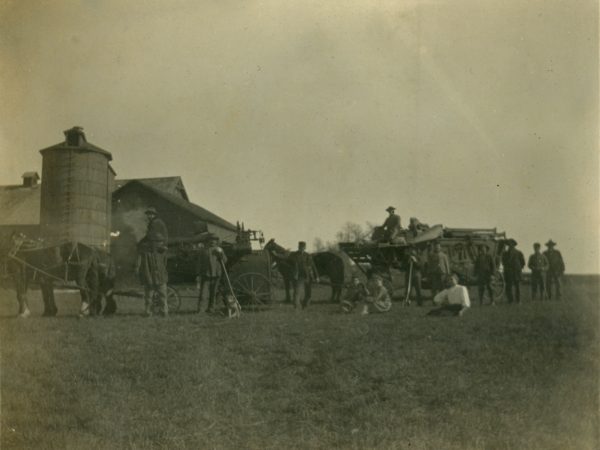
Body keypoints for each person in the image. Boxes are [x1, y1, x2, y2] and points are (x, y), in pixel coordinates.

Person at [136, 207, 169, 316]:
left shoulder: (156, 223)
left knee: (161, 294)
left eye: (150, 214)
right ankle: (148, 312)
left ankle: (163, 312)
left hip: (159, 276)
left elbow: (164, 264)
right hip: (152, 277)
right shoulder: (148, 254)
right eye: (148, 214)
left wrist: (141, 243)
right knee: (149, 294)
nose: (149, 216)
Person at [196, 234, 228, 313]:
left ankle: (211, 309)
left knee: (213, 293)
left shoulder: (219, 250)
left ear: (217, 241)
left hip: (216, 274)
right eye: (211, 240)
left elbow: (225, 260)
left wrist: (220, 253)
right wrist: (198, 274)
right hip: (206, 275)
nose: (212, 241)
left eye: (214, 240)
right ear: (208, 241)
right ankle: (201, 309)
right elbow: (199, 263)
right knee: (203, 294)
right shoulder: (203, 250)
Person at [290, 241, 319, 309]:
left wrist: (317, 276)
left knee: (308, 293)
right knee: (297, 292)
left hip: (307, 276)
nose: (302, 248)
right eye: (300, 247)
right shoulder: (294, 255)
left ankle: (305, 305)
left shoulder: (307, 255)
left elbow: (313, 266)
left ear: (305, 247)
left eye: (303, 247)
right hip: (299, 276)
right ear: (298, 247)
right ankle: (296, 306)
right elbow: (288, 261)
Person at [502, 239, 525, 304]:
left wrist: (518, 268)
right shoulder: (505, 254)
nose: (510, 246)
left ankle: (518, 300)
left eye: (511, 245)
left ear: (514, 245)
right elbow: (503, 262)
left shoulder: (518, 253)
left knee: (517, 286)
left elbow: (522, 262)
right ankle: (510, 300)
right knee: (508, 286)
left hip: (516, 271)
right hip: (509, 272)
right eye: (508, 245)